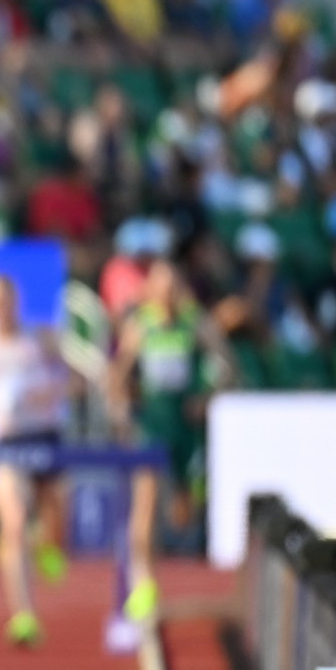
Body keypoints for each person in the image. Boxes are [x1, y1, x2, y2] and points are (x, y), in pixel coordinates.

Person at [106, 258, 234, 621]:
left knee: (180, 514)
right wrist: (122, 409)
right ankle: (143, 583)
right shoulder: (141, 325)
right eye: (160, 288)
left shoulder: (195, 323)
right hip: (152, 425)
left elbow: (228, 364)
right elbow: (118, 373)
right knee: (144, 504)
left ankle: (175, 536)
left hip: (186, 428)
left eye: (172, 287)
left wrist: (207, 395)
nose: (166, 295)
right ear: (149, 291)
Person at [0, 272, 71, 647]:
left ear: (16, 301)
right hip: (7, 442)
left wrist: (47, 392)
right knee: (13, 524)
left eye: (6, 300)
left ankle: (47, 543)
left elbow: (69, 379)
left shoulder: (41, 338)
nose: (1, 308)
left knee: (56, 517)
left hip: (45, 436)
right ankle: (24, 615)